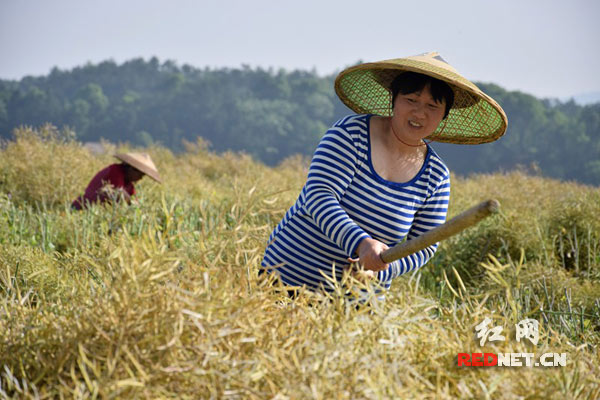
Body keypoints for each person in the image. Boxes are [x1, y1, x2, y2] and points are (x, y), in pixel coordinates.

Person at [260, 52, 507, 296]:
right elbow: (319, 196)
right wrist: (361, 243)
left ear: (444, 115)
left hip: (354, 304)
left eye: (433, 106)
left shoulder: (436, 176)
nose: (420, 113)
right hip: (286, 281)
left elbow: (424, 246)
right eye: (411, 100)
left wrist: (381, 271)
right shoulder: (350, 135)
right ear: (394, 99)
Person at [71, 152, 161, 210]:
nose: (140, 178)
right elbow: (119, 193)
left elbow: (134, 202)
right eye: (140, 175)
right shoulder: (115, 170)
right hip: (81, 210)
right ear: (131, 168)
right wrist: (132, 204)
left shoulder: (129, 185)